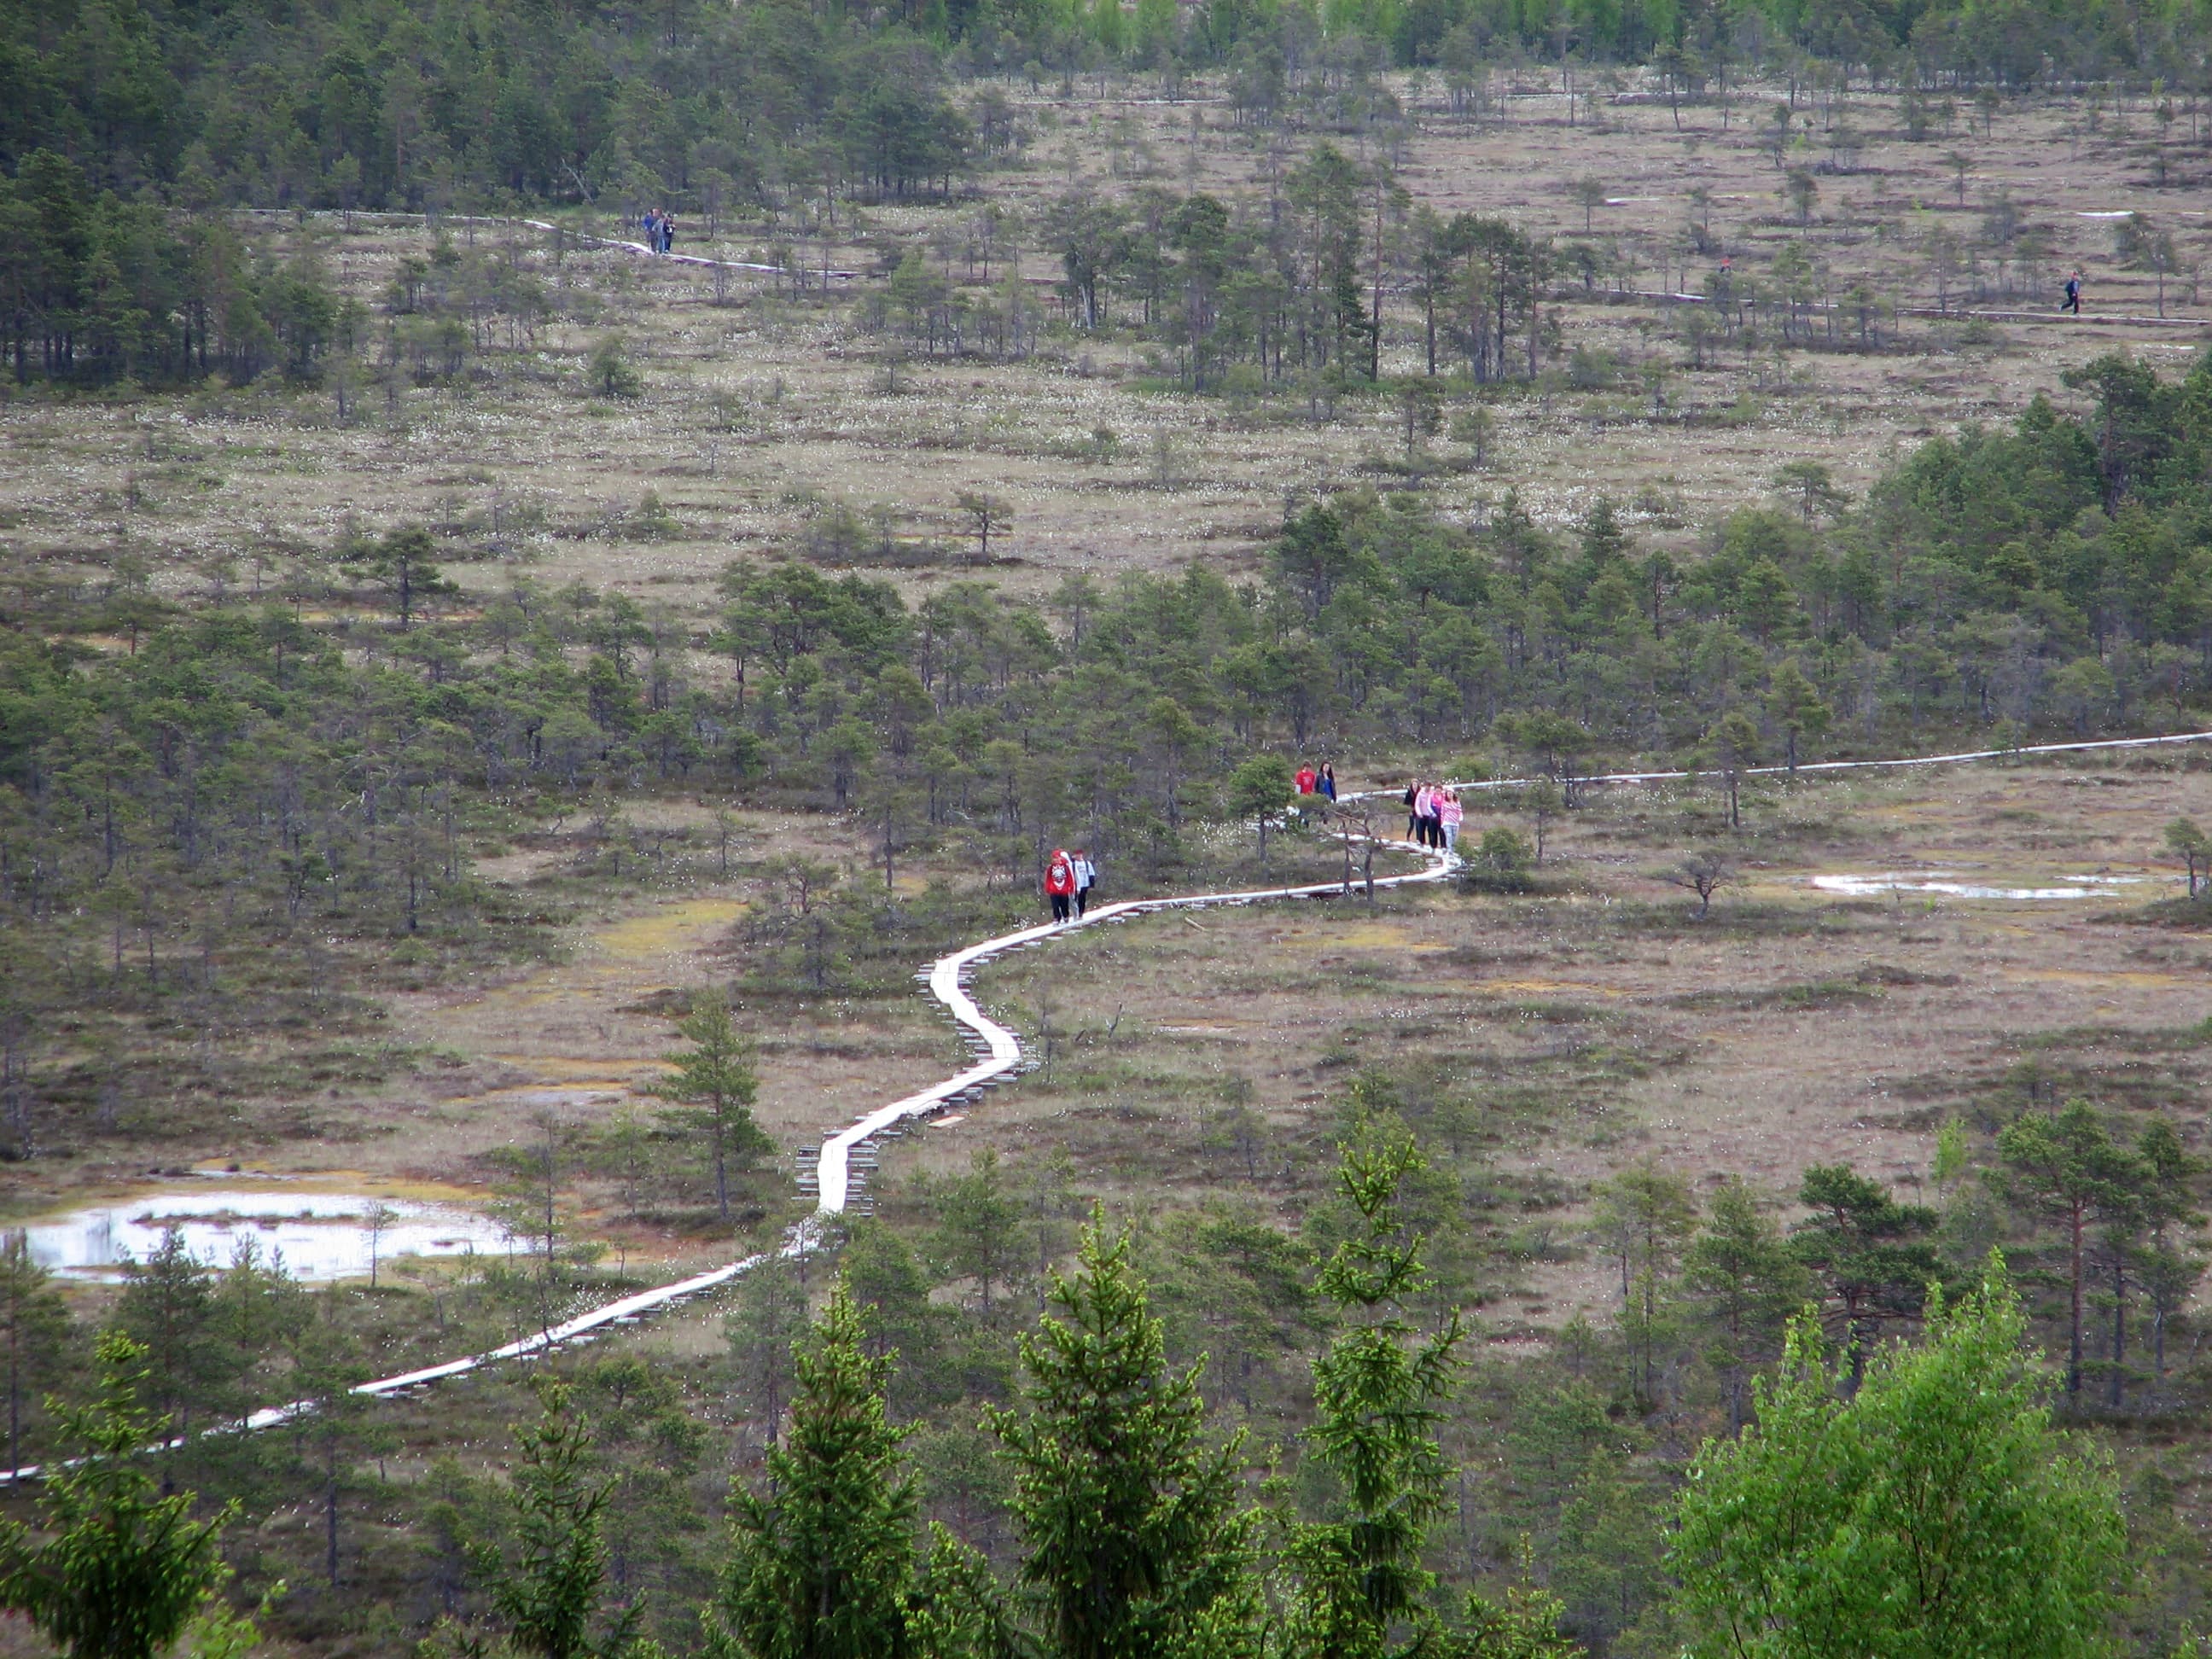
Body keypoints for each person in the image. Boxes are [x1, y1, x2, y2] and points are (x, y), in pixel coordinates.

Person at [1045, 848, 1076, 923]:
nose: (1056, 860)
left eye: (1057, 857)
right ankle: (1057, 918)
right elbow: (1048, 878)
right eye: (1054, 858)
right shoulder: (1050, 868)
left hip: (1064, 890)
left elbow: (1069, 877)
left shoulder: (1065, 867)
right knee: (1055, 905)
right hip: (1054, 890)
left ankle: (1065, 915)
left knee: (1064, 905)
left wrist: (1071, 887)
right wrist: (1047, 888)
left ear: (1060, 857)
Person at [1073, 847, 1097, 917]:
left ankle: (1081, 912)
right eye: (1077, 854)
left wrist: (1092, 884)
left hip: (1084, 884)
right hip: (1076, 884)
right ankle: (1075, 913)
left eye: (1080, 854)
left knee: (1082, 899)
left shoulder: (1087, 863)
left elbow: (1091, 873)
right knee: (1074, 899)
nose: (1079, 856)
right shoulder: (1073, 864)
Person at [1439, 788, 1463, 856]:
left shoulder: (1457, 802)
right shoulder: (1444, 802)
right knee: (1449, 836)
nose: (1450, 794)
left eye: (1451, 793)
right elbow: (1442, 813)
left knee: (1454, 837)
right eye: (1448, 793)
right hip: (1447, 822)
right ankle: (1450, 851)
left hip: (1455, 822)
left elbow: (1459, 811)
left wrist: (1460, 817)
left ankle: (1454, 850)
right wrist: (1442, 823)